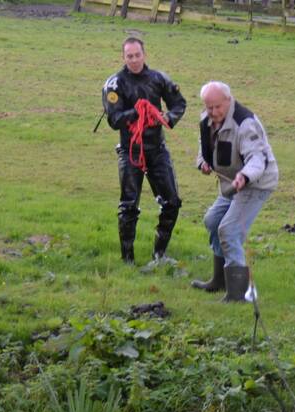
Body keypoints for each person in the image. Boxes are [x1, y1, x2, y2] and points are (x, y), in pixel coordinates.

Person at [192, 81, 279, 303]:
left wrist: (245, 176)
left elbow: (258, 159)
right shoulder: (207, 120)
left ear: (228, 101)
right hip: (231, 183)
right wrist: (202, 163)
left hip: (256, 183)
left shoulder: (245, 123)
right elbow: (204, 151)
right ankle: (219, 281)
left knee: (229, 230)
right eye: (209, 107)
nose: (213, 112)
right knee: (213, 221)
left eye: (218, 107)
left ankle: (238, 293)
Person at [102, 37, 186, 263]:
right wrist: (138, 113)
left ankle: (160, 254)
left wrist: (167, 117)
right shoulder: (114, 84)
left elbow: (179, 103)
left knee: (172, 202)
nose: (134, 60)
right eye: (129, 56)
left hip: (157, 150)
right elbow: (114, 119)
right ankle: (127, 259)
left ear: (144, 54)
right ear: (123, 57)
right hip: (130, 151)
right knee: (129, 205)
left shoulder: (159, 79)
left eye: (137, 55)